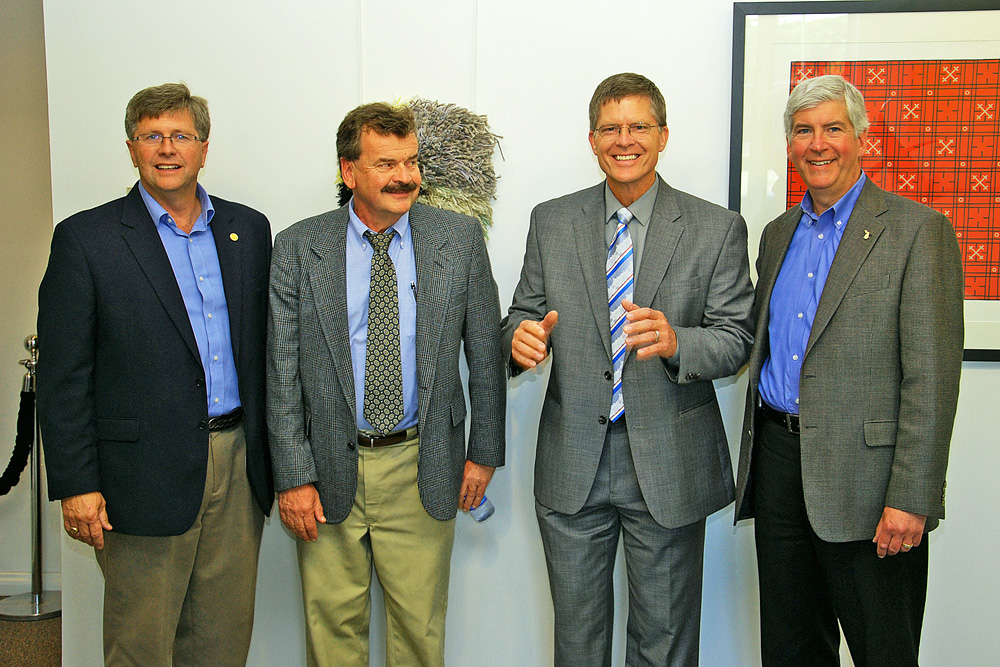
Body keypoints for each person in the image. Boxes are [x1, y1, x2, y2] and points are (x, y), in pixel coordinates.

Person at [502, 72, 754, 665]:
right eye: (610, 128)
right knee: (578, 644)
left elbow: (737, 339)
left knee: (663, 645)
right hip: (573, 464)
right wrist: (519, 341)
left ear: (663, 135)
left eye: (639, 126)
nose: (625, 140)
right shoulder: (551, 220)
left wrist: (677, 342)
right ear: (592, 139)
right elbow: (520, 315)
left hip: (668, 462)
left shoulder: (716, 228)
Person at [36, 82, 273, 665]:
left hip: (238, 465)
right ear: (131, 147)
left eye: (180, 135)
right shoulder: (85, 240)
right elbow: (63, 374)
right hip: (137, 478)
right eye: (151, 136)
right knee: (139, 645)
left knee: (221, 641)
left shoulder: (249, 231)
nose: (167, 148)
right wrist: (75, 484)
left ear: (204, 147)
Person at [734, 74, 964, 666]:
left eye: (833, 128)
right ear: (790, 145)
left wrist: (913, 497)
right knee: (790, 650)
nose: (818, 144)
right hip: (781, 469)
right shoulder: (777, 234)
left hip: (872, 485)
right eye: (804, 132)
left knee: (883, 651)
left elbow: (931, 382)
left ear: (862, 138)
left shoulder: (918, 232)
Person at [267, 102, 506, 667]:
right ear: (349, 173)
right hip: (326, 468)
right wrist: (294, 476)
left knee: (419, 636)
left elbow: (484, 354)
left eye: (412, 162)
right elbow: (281, 372)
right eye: (386, 164)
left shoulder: (459, 239)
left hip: (422, 461)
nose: (405, 176)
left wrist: (483, 454)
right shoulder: (299, 247)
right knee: (332, 636)